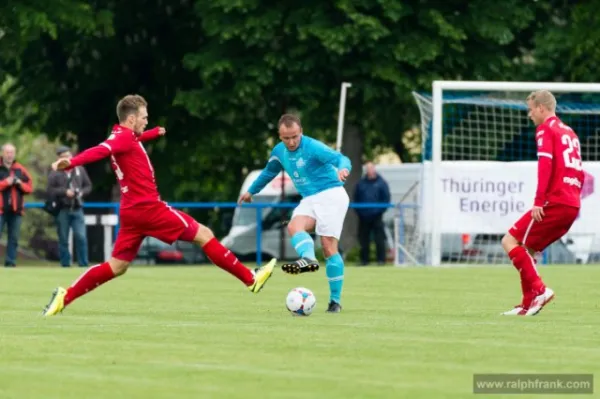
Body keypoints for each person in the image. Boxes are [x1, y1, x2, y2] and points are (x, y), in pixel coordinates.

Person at [42, 94, 275, 316]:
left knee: (116, 266)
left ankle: (65, 296)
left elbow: (128, 141)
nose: (146, 121)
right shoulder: (122, 138)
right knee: (204, 234)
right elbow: (101, 150)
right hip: (149, 208)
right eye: (144, 118)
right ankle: (251, 279)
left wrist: (152, 132)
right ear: (131, 119)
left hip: (132, 212)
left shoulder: (124, 136)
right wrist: (71, 162)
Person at [238, 114, 352, 313]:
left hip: (331, 194)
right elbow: (268, 172)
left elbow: (341, 158)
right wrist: (251, 191)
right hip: (309, 198)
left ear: (301, 132)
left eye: (294, 137)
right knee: (293, 225)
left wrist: (343, 169)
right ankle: (308, 259)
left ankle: (335, 301)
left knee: (328, 247)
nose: (291, 142)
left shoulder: (313, 147)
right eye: (286, 138)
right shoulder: (279, 151)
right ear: (279, 136)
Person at [500, 90, 583, 316]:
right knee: (527, 249)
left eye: (530, 109)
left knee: (509, 241)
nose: (529, 114)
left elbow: (545, 166)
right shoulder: (570, 132)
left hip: (555, 201)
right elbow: (579, 171)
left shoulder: (545, 129)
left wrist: (539, 201)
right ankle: (528, 304)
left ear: (541, 108)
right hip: (572, 202)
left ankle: (540, 290)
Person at [47, 145, 92, 267]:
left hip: (77, 208)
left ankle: (83, 264)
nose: (66, 159)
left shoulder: (79, 170)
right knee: (63, 239)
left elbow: (88, 186)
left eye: (68, 156)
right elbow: (50, 190)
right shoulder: (55, 172)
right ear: (58, 159)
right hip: (63, 209)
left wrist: (81, 192)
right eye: (63, 157)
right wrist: (64, 192)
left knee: (81, 237)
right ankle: (65, 264)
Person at [0, 143, 33, 267]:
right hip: (1, 210)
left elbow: (29, 188)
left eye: (12, 152)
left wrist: (19, 184)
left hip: (16, 210)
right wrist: (6, 183)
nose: (10, 155)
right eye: (7, 152)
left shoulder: (20, 169)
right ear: (3, 153)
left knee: (13, 238)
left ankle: (10, 262)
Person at [354, 162, 390, 265]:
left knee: (379, 239)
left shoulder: (381, 183)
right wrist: (360, 212)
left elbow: (386, 199)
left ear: (374, 169)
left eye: (371, 168)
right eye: (367, 168)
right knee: (363, 239)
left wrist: (379, 211)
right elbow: (356, 198)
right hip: (363, 216)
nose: (369, 170)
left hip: (377, 216)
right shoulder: (361, 183)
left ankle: (381, 260)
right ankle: (364, 260)